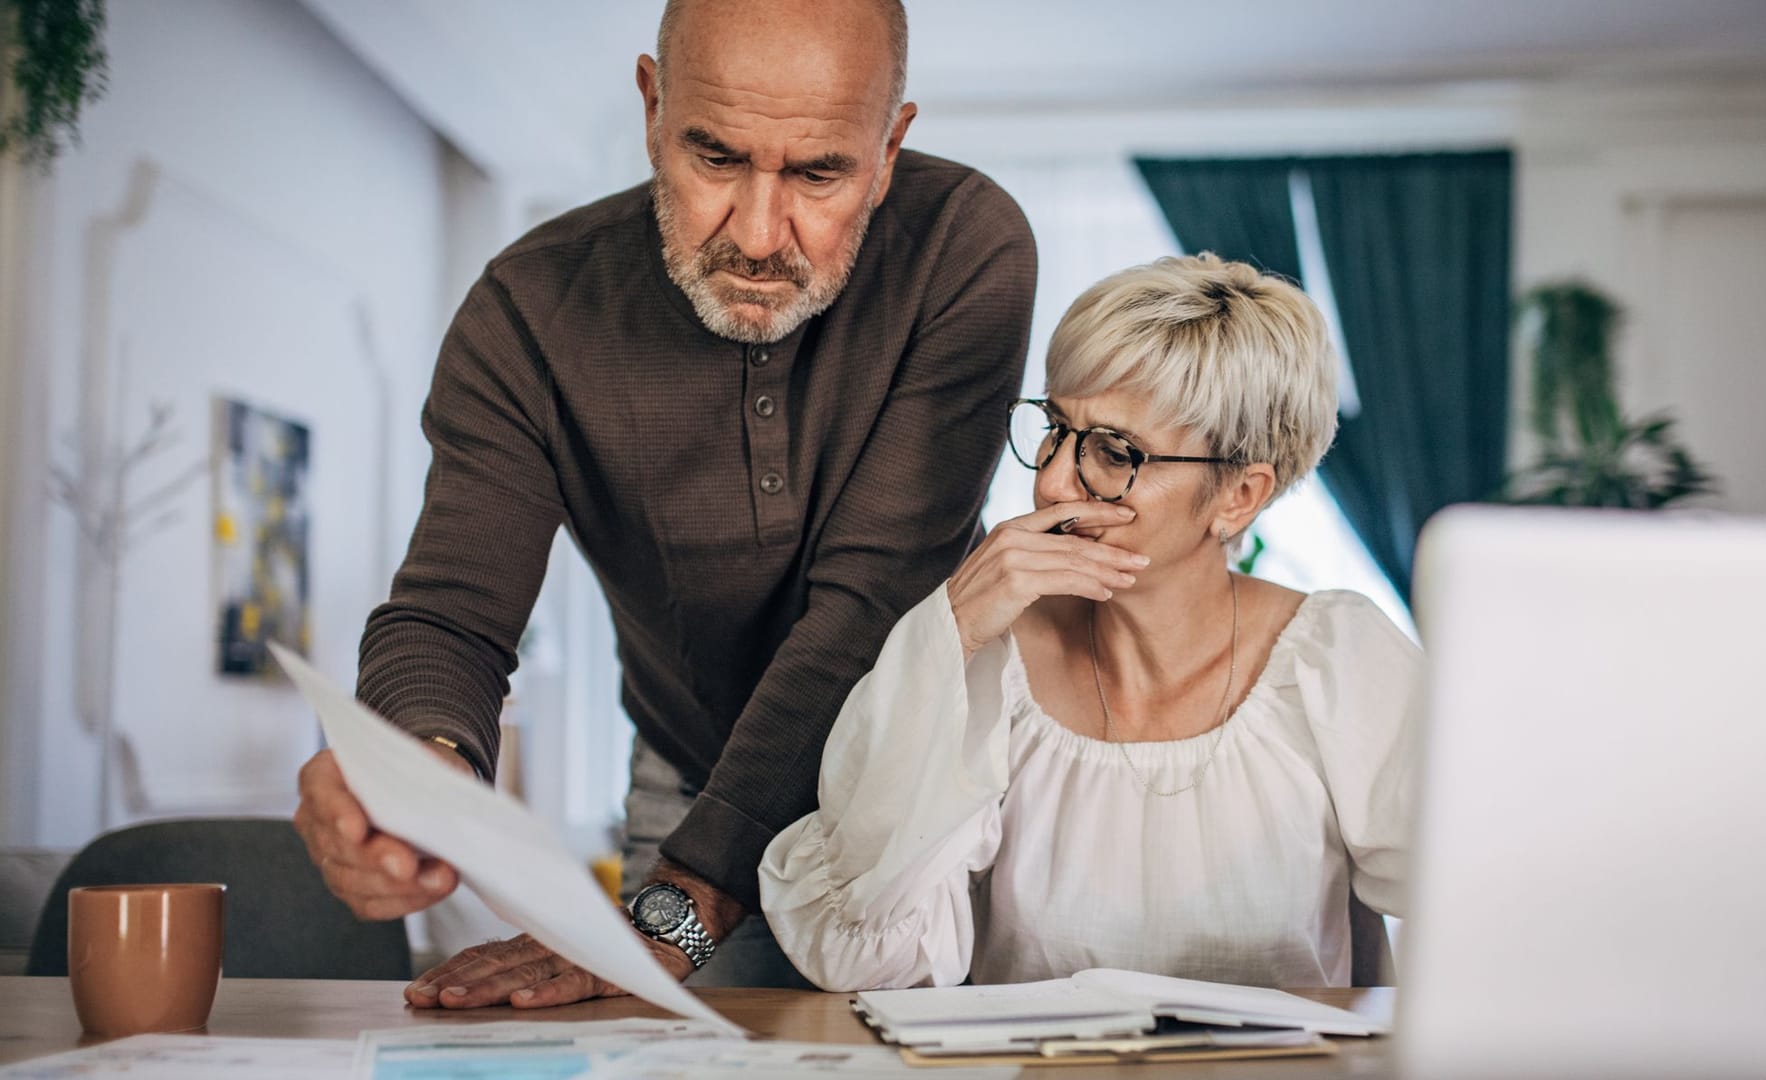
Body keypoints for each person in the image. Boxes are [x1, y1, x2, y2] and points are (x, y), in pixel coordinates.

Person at [290, 0, 1036, 1006]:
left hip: (930, 791)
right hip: (690, 781)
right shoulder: (528, 312)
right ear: (652, 107)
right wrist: (421, 773)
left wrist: (687, 900)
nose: (759, 236)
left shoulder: (963, 247)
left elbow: (872, 607)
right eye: (715, 157)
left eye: (819, 174)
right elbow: (451, 613)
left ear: (890, 147)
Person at [758, 254, 1421, 991]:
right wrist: (950, 633)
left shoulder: (1337, 662)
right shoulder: (990, 665)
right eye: (1055, 428)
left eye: (1113, 452)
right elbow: (861, 956)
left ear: (1239, 496)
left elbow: (1492, 907)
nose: (1049, 482)